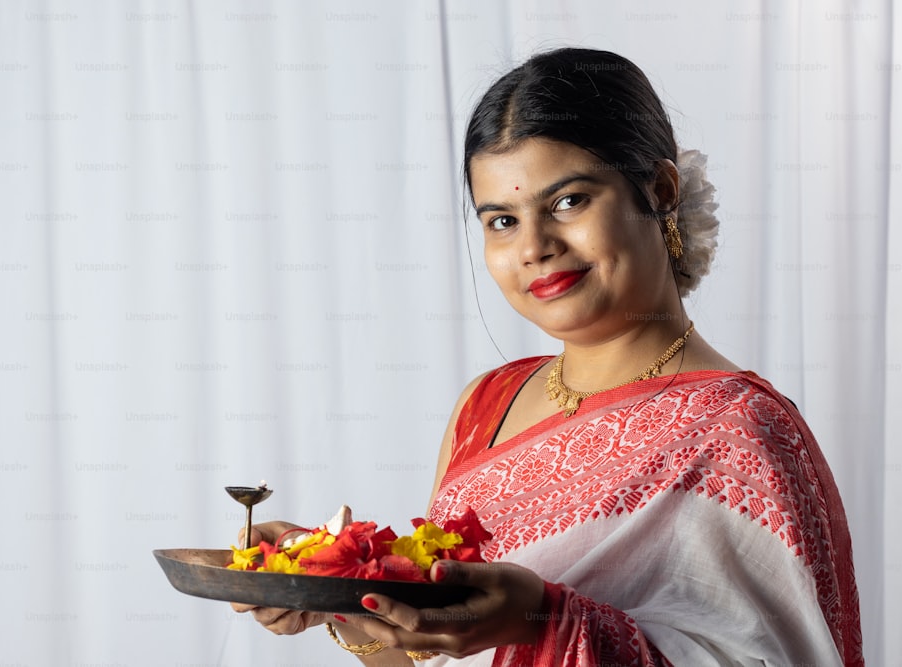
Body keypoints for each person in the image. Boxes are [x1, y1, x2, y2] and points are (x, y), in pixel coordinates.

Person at [232, 47, 864, 666]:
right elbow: (430, 653)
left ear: (661, 190)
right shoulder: (487, 404)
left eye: (568, 202)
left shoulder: (740, 430)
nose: (533, 246)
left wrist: (547, 618)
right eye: (501, 220)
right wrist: (332, 579)